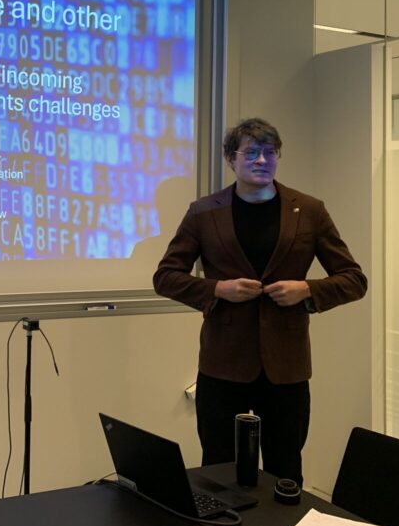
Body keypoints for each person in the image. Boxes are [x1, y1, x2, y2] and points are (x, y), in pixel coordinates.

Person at [153, 118, 366, 485]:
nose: (262, 160)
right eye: (251, 152)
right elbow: (166, 277)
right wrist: (218, 289)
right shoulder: (203, 212)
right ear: (230, 159)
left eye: (270, 152)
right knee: (219, 471)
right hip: (222, 365)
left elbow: (354, 280)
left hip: (286, 367)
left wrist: (307, 290)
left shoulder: (310, 211)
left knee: (285, 470)